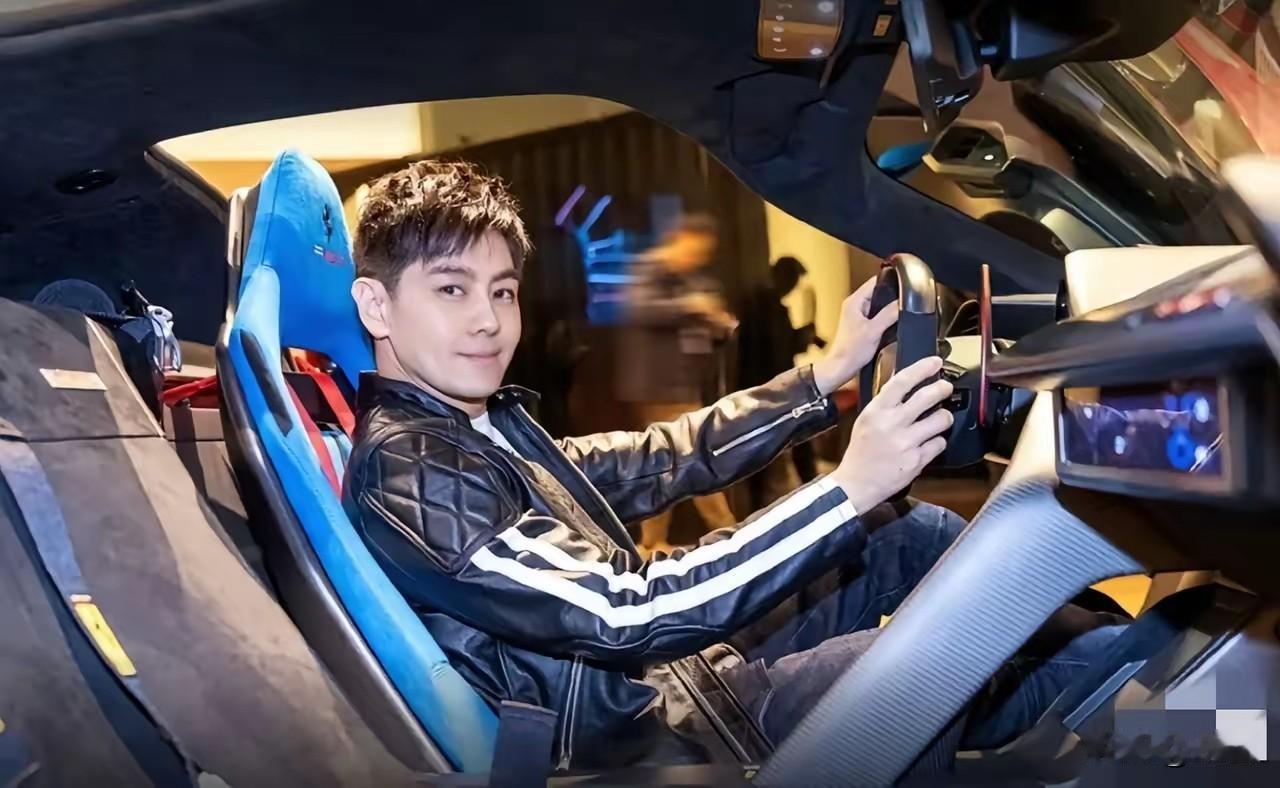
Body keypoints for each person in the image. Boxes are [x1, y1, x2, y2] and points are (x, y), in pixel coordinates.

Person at [343, 160, 1125, 770]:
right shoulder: (412, 469)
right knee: (943, 657)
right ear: (376, 305)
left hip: (664, 675)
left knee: (898, 530)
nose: (488, 322)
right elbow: (624, 613)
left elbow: (662, 457)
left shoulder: (475, 426)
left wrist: (826, 373)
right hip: (657, 730)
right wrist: (846, 487)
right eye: (452, 290)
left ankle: (1122, 652)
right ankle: (1164, 701)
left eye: (503, 292)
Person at [617, 214, 740, 556]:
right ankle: (729, 533)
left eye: (703, 254)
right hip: (659, 388)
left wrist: (718, 324)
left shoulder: (690, 281)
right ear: (678, 239)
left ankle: (650, 542)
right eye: (694, 250)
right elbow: (639, 308)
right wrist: (693, 308)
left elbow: (702, 327)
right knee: (694, 456)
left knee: (667, 463)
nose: (697, 258)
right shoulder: (649, 269)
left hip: (685, 385)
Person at [738, 256, 827, 508]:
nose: (793, 287)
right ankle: (816, 495)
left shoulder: (760, 304)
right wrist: (803, 337)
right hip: (774, 391)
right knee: (798, 440)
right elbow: (778, 353)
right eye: (793, 281)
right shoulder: (769, 308)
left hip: (762, 389)